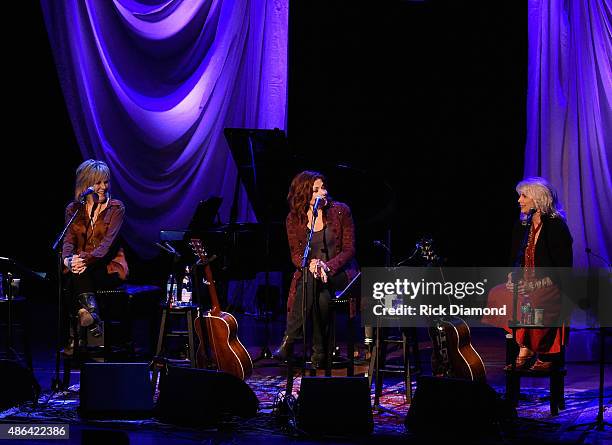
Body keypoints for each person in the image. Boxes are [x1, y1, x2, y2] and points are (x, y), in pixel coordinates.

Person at [483, 177, 572, 371]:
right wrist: (510, 278)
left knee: (530, 298)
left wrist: (534, 285)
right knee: (499, 293)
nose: (519, 200)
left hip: (550, 285)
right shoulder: (522, 226)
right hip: (525, 282)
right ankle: (525, 345)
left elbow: (563, 269)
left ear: (538, 199)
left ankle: (533, 348)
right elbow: (514, 258)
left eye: (524, 196)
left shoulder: (556, 226)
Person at [274, 171, 359, 367]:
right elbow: (296, 254)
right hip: (312, 274)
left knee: (313, 282)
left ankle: (289, 340)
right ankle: (320, 355)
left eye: (323, 187)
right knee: (319, 293)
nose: (323, 192)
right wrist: (312, 264)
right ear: (304, 194)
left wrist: (326, 267)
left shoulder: (340, 211)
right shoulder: (294, 218)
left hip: (341, 273)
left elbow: (349, 250)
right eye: (316, 190)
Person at [62, 160, 128, 352]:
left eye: (106, 182)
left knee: (74, 278)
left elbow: (106, 246)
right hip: (82, 267)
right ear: (85, 184)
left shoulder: (116, 208)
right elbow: (67, 240)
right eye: (97, 183)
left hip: (107, 267)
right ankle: (89, 314)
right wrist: (67, 259)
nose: (103, 187)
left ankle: (75, 338)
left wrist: (81, 260)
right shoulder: (73, 209)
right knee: (71, 276)